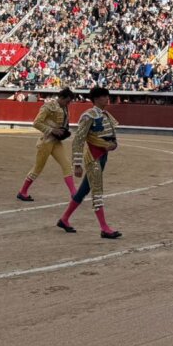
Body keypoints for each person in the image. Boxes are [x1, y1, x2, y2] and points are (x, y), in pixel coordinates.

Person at [56, 86, 121, 238]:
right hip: (93, 157)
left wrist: (113, 145)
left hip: (102, 156)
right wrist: (77, 164)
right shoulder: (88, 116)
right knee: (97, 190)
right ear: (97, 99)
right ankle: (104, 228)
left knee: (83, 190)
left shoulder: (105, 115)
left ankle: (64, 219)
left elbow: (110, 137)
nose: (107, 98)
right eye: (104, 96)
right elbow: (78, 140)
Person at [16, 88, 78, 202]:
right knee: (37, 168)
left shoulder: (64, 108)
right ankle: (22, 192)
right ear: (61, 98)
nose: (68, 104)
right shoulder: (48, 106)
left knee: (66, 165)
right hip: (46, 142)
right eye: (67, 101)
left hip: (56, 142)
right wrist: (52, 130)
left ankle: (74, 194)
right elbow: (36, 123)